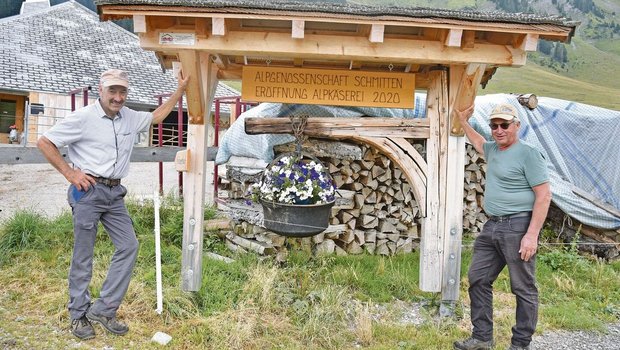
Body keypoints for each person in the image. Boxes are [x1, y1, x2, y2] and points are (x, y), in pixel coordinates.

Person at [37, 69, 189, 340]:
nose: (118, 97)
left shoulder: (129, 116)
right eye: (113, 91)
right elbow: (45, 141)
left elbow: (156, 116)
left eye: (122, 92)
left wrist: (179, 91)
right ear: (101, 90)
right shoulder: (83, 117)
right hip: (88, 192)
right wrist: (70, 174)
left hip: (115, 192)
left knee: (129, 245)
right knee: (84, 254)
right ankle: (78, 315)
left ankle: (104, 309)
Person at [453, 103, 552, 350]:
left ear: (516, 126)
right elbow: (477, 142)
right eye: (494, 125)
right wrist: (464, 122)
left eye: (504, 125)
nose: (498, 130)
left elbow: (544, 196)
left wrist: (531, 235)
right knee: (478, 278)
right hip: (492, 227)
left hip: (518, 226)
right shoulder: (494, 150)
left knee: (523, 287)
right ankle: (482, 338)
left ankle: (520, 344)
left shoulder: (529, 154)